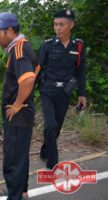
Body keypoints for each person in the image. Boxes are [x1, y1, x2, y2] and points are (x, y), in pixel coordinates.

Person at [0, 12, 38, 200]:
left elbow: (29, 79)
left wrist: (16, 105)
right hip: (23, 114)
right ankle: (21, 191)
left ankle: (15, 196)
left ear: (9, 31)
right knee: (20, 157)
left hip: (18, 115)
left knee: (13, 161)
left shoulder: (19, 50)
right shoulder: (19, 47)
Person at [38, 9, 87, 169]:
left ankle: (46, 149)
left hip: (64, 93)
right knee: (50, 125)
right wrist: (33, 90)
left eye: (61, 24)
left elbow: (80, 72)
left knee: (56, 128)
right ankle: (53, 163)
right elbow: (37, 69)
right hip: (48, 91)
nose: (57, 28)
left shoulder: (78, 46)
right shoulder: (47, 45)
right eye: (55, 24)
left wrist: (82, 94)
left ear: (71, 25)